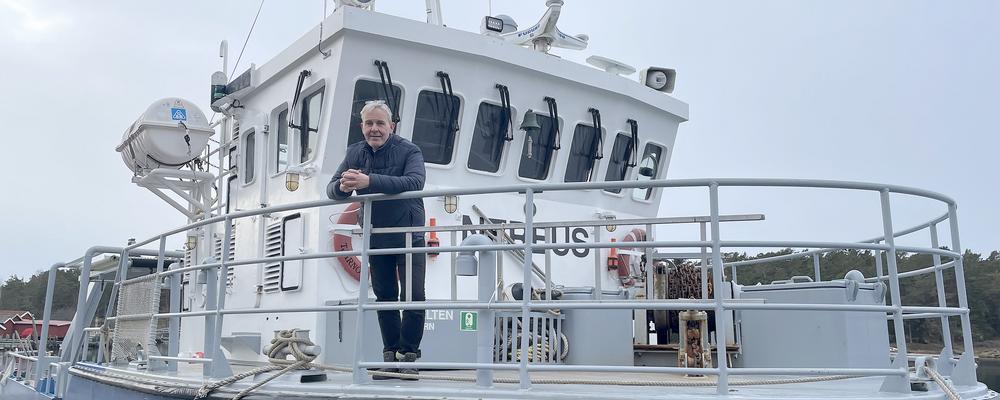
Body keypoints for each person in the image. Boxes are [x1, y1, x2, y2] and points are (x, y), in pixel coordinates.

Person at [327, 100, 426, 380]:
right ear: (362, 127)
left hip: (409, 235)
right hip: (377, 235)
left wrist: (368, 181)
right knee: (385, 298)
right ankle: (390, 356)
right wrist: (343, 187)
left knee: (414, 297)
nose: (374, 129)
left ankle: (408, 357)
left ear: (391, 126)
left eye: (380, 123)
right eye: (369, 123)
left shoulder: (410, 150)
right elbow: (332, 189)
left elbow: (415, 182)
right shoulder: (355, 152)